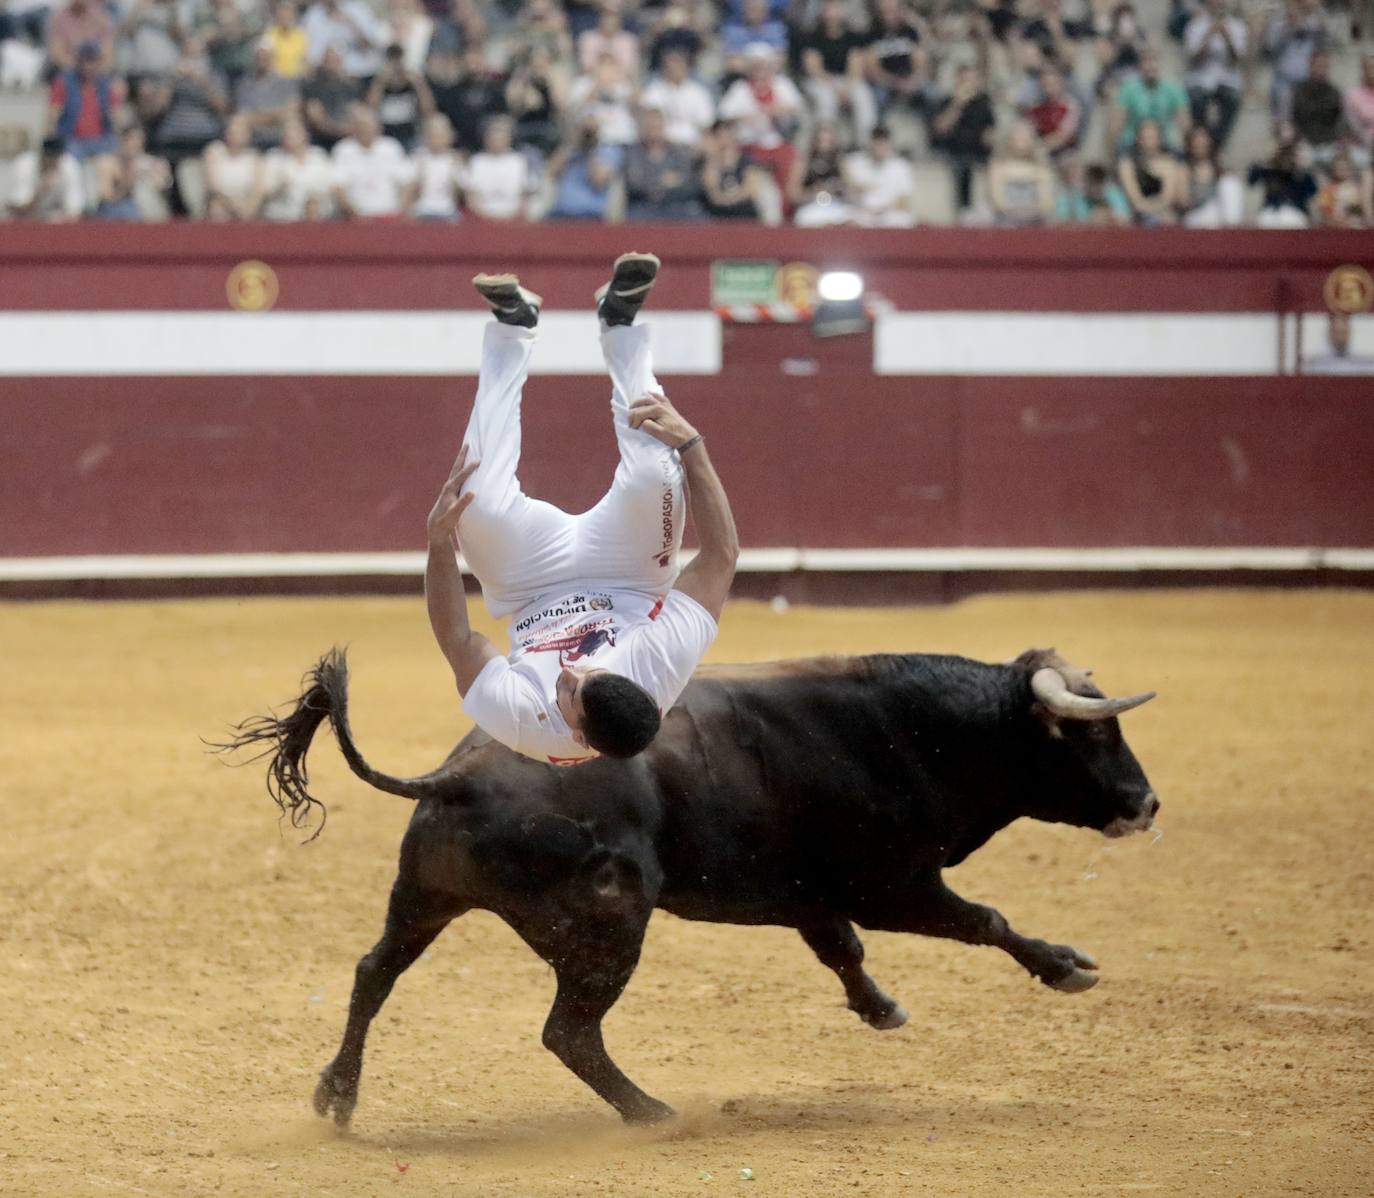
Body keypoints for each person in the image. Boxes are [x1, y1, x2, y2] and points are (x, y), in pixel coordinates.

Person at [424, 253, 738, 764]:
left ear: (575, 737)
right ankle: (621, 326)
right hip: (627, 578)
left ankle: (512, 330)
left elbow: (459, 638)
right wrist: (692, 445)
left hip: (528, 589)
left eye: (568, 694)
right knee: (658, 472)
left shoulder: (528, 725)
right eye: (591, 675)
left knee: (473, 497)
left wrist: (438, 545)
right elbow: (721, 556)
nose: (569, 672)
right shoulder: (659, 666)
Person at [930, 63, 996, 217]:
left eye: (972, 80)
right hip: (954, 153)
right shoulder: (947, 101)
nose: (968, 84)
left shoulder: (984, 103)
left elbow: (991, 132)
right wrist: (957, 104)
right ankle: (964, 210)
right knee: (962, 167)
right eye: (964, 80)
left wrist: (990, 139)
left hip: (979, 153)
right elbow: (941, 129)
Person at [331, 103, 414, 216]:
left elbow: (406, 183)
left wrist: (399, 213)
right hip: (356, 218)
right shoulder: (343, 150)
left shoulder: (391, 148)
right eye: (361, 126)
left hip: (389, 216)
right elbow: (338, 187)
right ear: (354, 127)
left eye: (369, 126)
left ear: (378, 127)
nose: (365, 130)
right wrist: (354, 215)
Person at [1182, 0, 1244, 151]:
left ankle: (1215, 145)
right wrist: (1209, 35)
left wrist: (1227, 37)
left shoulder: (1237, 26)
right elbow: (1194, 59)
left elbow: (1237, 59)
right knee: (1196, 99)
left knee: (1233, 99)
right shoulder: (1195, 25)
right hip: (1200, 78)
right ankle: (1200, 141)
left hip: (1227, 80)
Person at [623, 105, 703, 221]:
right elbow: (634, 184)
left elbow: (689, 183)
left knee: (696, 215)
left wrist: (655, 183)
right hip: (644, 206)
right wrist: (663, 182)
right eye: (649, 126)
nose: (653, 130)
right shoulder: (633, 153)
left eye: (656, 126)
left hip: (675, 205)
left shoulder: (677, 152)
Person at [47, 40, 125, 159]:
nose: (89, 66)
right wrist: (52, 140)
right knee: (70, 158)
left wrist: (121, 133)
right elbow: (53, 114)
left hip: (101, 140)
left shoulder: (106, 84)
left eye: (93, 61)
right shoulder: (63, 82)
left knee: (114, 153)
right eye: (86, 61)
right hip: (72, 140)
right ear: (79, 61)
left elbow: (117, 114)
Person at [1109, 45, 1189, 153]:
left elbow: (1185, 126)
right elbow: (1115, 127)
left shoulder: (1174, 90)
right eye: (1146, 61)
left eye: (1154, 60)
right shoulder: (1127, 90)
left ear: (1160, 63)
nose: (1150, 65)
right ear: (1139, 65)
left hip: (1165, 143)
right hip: (1133, 145)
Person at [262, 113, 336, 217]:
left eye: (295, 134)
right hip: (283, 218)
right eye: (287, 135)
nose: (291, 138)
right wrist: (279, 187)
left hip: (318, 217)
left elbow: (332, 187)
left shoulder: (319, 156)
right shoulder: (274, 157)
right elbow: (264, 192)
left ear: (305, 135)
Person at [639, 47, 714, 147]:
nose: (674, 67)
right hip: (664, 145)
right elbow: (648, 118)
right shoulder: (655, 90)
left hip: (692, 144)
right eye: (671, 63)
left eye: (678, 63)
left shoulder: (698, 92)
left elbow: (706, 125)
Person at [463, 114, 534, 220]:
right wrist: (488, 218)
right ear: (485, 139)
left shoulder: (519, 161)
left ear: (508, 139)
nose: (496, 141)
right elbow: (471, 198)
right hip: (482, 219)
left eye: (500, 137)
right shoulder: (477, 161)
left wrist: (510, 218)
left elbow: (524, 196)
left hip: (512, 219)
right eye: (493, 138)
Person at [843, 123, 916, 226]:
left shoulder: (901, 166)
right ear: (870, 143)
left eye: (883, 142)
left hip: (889, 213)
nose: (880, 146)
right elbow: (845, 180)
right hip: (862, 212)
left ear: (890, 144)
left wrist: (882, 210)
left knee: (903, 219)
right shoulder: (854, 163)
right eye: (877, 142)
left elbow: (903, 200)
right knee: (846, 216)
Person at [987, 120, 1057, 225]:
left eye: (1025, 138)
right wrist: (1015, 213)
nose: (1021, 141)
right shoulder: (997, 166)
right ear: (1009, 139)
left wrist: (1030, 214)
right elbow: (997, 201)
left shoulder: (1041, 167)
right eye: (1018, 137)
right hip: (1005, 220)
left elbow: (1046, 202)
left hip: (1036, 220)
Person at [235, 39, 301, 150]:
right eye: (259, 57)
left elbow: (292, 109)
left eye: (266, 57)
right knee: (237, 122)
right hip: (253, 131)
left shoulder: (285, 81)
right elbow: (243, 114)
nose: (262, 60)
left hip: (280, 131)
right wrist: (275, 115)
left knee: (293, 121)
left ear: (273, 58)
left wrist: (259, 113)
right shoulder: (244, 84)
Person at [366, 41, 434, 149]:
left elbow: (428, 110)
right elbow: (370, 109)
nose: (396, 66)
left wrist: (418, 84)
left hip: (409, 135)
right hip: (384, 136)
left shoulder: (413, 83)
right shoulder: (378, 83)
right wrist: (380, 82)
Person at [1247, 125, 1316, 226]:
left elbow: (1311, 192)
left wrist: (1301, 170)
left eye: (1289, 151)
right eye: (1282, 150)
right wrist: (1266, 161)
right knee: (1266, 220)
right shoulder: (1269, 168)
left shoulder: (1300, 169)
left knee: (1289, 219)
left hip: (1295, 210)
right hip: (1271, 210)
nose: (1286, 155)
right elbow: (1251, 181)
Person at [1176, 123, 1242, 226]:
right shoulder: (1184, 169)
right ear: (1190, 145)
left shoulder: (1219, 168)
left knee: (1230, 183)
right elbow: (1183, 201)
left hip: (1219, 214)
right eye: (1196, 142)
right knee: (1209, 215)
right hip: (1196, 215)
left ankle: (1232, 229)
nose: (1200, 145)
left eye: (1203, 142)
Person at [790, 120, 854, 226]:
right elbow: (792, 194)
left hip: (836, 204)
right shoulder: (804, 162)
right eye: (821, 141)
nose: (825, 145)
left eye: (829, 142)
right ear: (814, 141)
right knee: (807, 220)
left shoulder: (840, 161)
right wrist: (812, 192)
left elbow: (851, 190)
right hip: (811, 206)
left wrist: (839, 187)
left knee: (854, 218)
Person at [1118, 117, 1180, 224]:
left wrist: (1155, 210)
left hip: (1162, 212)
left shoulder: (1168, 163)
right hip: (1136, 213)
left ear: (1159, 139)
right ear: (1138, 139)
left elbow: (1167, 198)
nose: (1148, 142)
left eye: (1151, 137)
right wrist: (1147, 209)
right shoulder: (1127, 164)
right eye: (1144, 137)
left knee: (1169, 219)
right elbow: (1135, 200)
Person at [203, 111, 264, 217]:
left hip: (246, 203)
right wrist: (233, 204)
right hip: (221, 201)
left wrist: (249, 208)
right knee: (216, 209)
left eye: (241, 131)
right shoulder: (214, 150)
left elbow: (258, 189)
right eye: (233, 130)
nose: (236, 134)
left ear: (248, 134)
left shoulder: (254, 156)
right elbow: (213, 187)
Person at [700, 118, 762, 220]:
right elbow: (712, 191)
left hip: (743, 209)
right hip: (718, 211)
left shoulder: (746, 161)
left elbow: (750, 190)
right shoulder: (711, 164)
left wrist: (729, 199)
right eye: (720, 137)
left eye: (728, 136)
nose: (725, 141)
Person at [1291, 50, 1343, 167]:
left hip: (1329, 144)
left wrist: (1335, 141)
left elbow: (1341, 121)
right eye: (1318, 66)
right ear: (1310, 67)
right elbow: (1293, 119)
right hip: (1305, 143)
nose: (1321, 70)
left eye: (1325, 66)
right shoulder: (1299, 92)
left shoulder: (1334, 92)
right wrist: (1300, 140)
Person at [408, 111, 463, 219]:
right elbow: (409, 190)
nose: (436, 139)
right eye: (432, 135)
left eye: (440, 135)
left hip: (448, 210)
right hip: (422, 210)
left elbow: (462, 192)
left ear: (449, 136)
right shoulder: (417, 158)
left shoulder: (455, 159)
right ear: (425, 136)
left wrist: (455, 174)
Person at [301, 44, 357, 150]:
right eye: (329, 60)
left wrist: (350, 129)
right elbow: (315, 117)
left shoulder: (350, 85)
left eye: (336, 60)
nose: (332, 63)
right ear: (323, 61)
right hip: (320, 138)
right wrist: (338, 130)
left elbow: (356, 110)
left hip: (348, 137)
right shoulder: (312, 85)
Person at [1055, 158, 1131, 224]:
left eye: (1098, 181)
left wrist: (1107, 215)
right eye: (1092, 181)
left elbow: (1125, 218)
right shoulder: (1077, 195)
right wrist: (1093, 218)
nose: (1095, 187)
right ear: (1086, 181)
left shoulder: (1112, 191)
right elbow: (1064, 220)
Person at [1303, 311, 1374, 374]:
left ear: (1349, 331)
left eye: (1343, 332)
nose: (1340, 334)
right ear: (1329, 332)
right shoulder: (1316, 364)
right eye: (1336, 332)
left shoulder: (1363, 363)